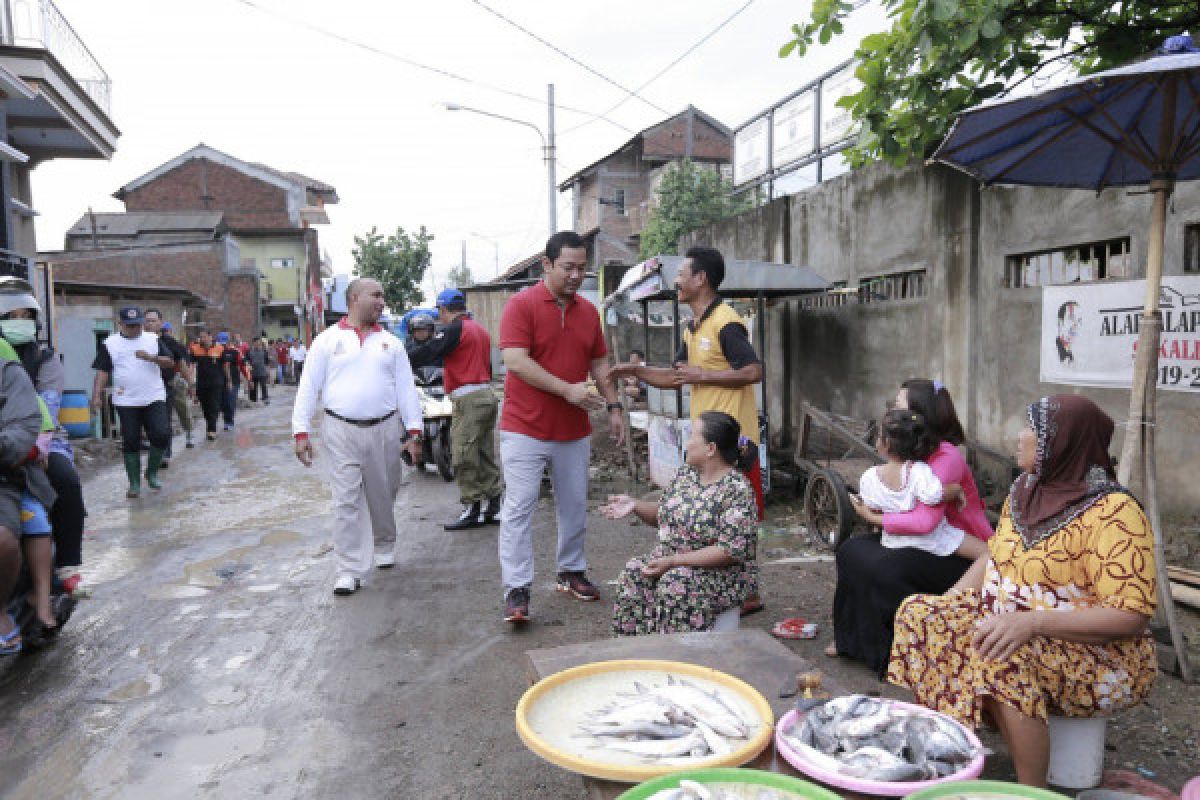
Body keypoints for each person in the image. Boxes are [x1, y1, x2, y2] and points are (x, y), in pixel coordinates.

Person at [888, 395, 1157, 787]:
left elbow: (1131, 616)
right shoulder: (1025, 490)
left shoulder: (1114, 513)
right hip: (1018, 620)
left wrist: (1031, 622)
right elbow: (995, 558)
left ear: (1062, 443)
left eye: (1033, 429)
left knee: (1001, 653)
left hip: (1099, 653)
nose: (1020, 437)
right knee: (920, 615)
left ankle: (1033, 791)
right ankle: (942, 754)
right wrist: (947, 606)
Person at [609, 246, 766, 615]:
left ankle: (748, 592)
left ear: (701, 279)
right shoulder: (693, 326)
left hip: (733, 440)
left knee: (739, 519)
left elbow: (754, 371)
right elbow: (676, 376)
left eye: (682, 273)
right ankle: (726, 583)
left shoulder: (726, 322)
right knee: (710, 517)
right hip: (705, 438)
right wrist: (636, 373)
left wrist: (705, 375)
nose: (676, 280)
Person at [496, 230, 625, 624]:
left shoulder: (588, 312)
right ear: (547, 265)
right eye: (568, 267)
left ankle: (571, 571)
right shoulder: (522, 306)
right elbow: (515, 361)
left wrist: (615, 405)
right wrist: (566, 390)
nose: (575, 275)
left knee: (573, 506)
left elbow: (600, 363)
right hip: (524, 427)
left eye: (582, 268)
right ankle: (517, 589)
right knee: (519, 507)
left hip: (573, 430)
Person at [828, 379, 993, 674]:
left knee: (888, 570)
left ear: (919, 414)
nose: (892, 408)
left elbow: (925, 521)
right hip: (920, 539)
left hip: (956, 546)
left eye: (898, 404)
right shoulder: (912, 453)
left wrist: (875, 518)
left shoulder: (945, 457)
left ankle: (908, 647)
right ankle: (853, 640)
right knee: (851, 550)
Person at [292, 278, 422, 595]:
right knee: (345, 500)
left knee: (383, 493)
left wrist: (414, 430)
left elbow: (406, 389)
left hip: (385, 427)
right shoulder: (326, 341)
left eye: (383, 296)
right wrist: (301, 430)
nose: (381, 301)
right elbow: (308, 386)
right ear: (354, 298)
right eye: (375, 295)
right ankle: (349, 569)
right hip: (339, 430)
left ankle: (385, 542)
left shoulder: (392, 343)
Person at [603, 411, 758, 635]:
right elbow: (665, 514)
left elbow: (729, 551)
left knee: (676, 585)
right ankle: (637, 656)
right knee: (634, 573)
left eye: (693, 436)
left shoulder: (736, 489)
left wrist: (675, 561)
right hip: (672, 562)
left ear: (710, 449)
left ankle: (681, 660)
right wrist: (635, 505)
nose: (688, 442)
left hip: (720, 574)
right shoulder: (687, 475)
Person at [0, 277, 86, 592]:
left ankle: (67, 564)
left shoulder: (45, 359)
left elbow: (48, 405)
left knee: (66, 482)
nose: (19, 322)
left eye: (26, 316)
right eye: (12, 316)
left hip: (42, 439)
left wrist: (37, 447)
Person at [407, 288, 503, 530]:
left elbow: (429, 352)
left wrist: (399, 358)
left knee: (462, 454)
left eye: (440, 311)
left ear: (443, 309)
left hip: (468, 399)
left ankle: (471, 508)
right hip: (485, 395)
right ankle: (493, 506)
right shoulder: (479, 329)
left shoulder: (454, 329)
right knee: (483, 453)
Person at [856, 408, 987, 560]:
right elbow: (934, 495)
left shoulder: (869, 477)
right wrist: (957, 490)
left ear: (885, 445)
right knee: (990, 554)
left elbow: (872, 506)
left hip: (893, 540)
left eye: (879, 435)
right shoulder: (918, 471)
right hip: (932, 540)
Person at [0, 350, 57, 653]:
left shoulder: (10, 371)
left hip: (13, 469)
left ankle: (42, 597)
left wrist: (31, 450)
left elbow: (29, 432)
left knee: (31, 521)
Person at [91, 307, 174, 498]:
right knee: (130, 440)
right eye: (130, 326)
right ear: (120, 324)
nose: (135, 329)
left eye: (137, 324)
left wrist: (151, 357)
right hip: (126, 400)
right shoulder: (110, 344)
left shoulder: (152, 339)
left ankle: (151, 472)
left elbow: (170, 362)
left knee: (162, 434)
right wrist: (96, 396)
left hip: (153, 396)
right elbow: (103, 372)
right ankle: (134, 483)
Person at [143, 311, 194, 464]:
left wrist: (191, 384)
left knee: (164, 422)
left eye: (153, 320)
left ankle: (165, 454)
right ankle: (155, 451)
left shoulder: (171, 343)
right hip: (144, 388)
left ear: (160, 323)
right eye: (147, 321)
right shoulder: (138, 341)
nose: (150, 324)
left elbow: (182, 364)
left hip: (167, 386)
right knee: (150, 424)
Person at [187, 329, 231, 441]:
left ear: (210, 337)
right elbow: (191, 366)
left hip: (217, 383)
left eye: (204, 337)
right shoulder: (195, 348)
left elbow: (225, 366)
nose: (202, 339)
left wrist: (228, 380)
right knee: (205, 406)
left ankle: (212, 430)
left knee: (214, 405)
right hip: (201, 383)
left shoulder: (220, 348)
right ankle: (209, 426)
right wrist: (190, 381)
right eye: (201, 337)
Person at [217, 332, 248, 430]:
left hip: (234, 381)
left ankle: (229, 421)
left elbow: (243, 365)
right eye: (221, 343)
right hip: (220, 381)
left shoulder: (236, 351)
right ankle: (226, 418)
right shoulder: (216, 351)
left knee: (230, 402)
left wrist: (248, 378)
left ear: (228, 341)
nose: (223, 345)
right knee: (222, 402)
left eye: (224, 343)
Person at [246, 338, 271, 405]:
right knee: (253, 386)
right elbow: (246, 361)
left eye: (259, 342)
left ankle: (265, 398)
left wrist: (268, 371)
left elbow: (267, 362)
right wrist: (248, 367)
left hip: (262, 372)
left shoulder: (264, 351)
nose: (257, 344)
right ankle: (253, 399)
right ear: (253, 343)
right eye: (256, 342)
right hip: (253, 372)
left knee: (263, 386)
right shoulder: (249, 351)